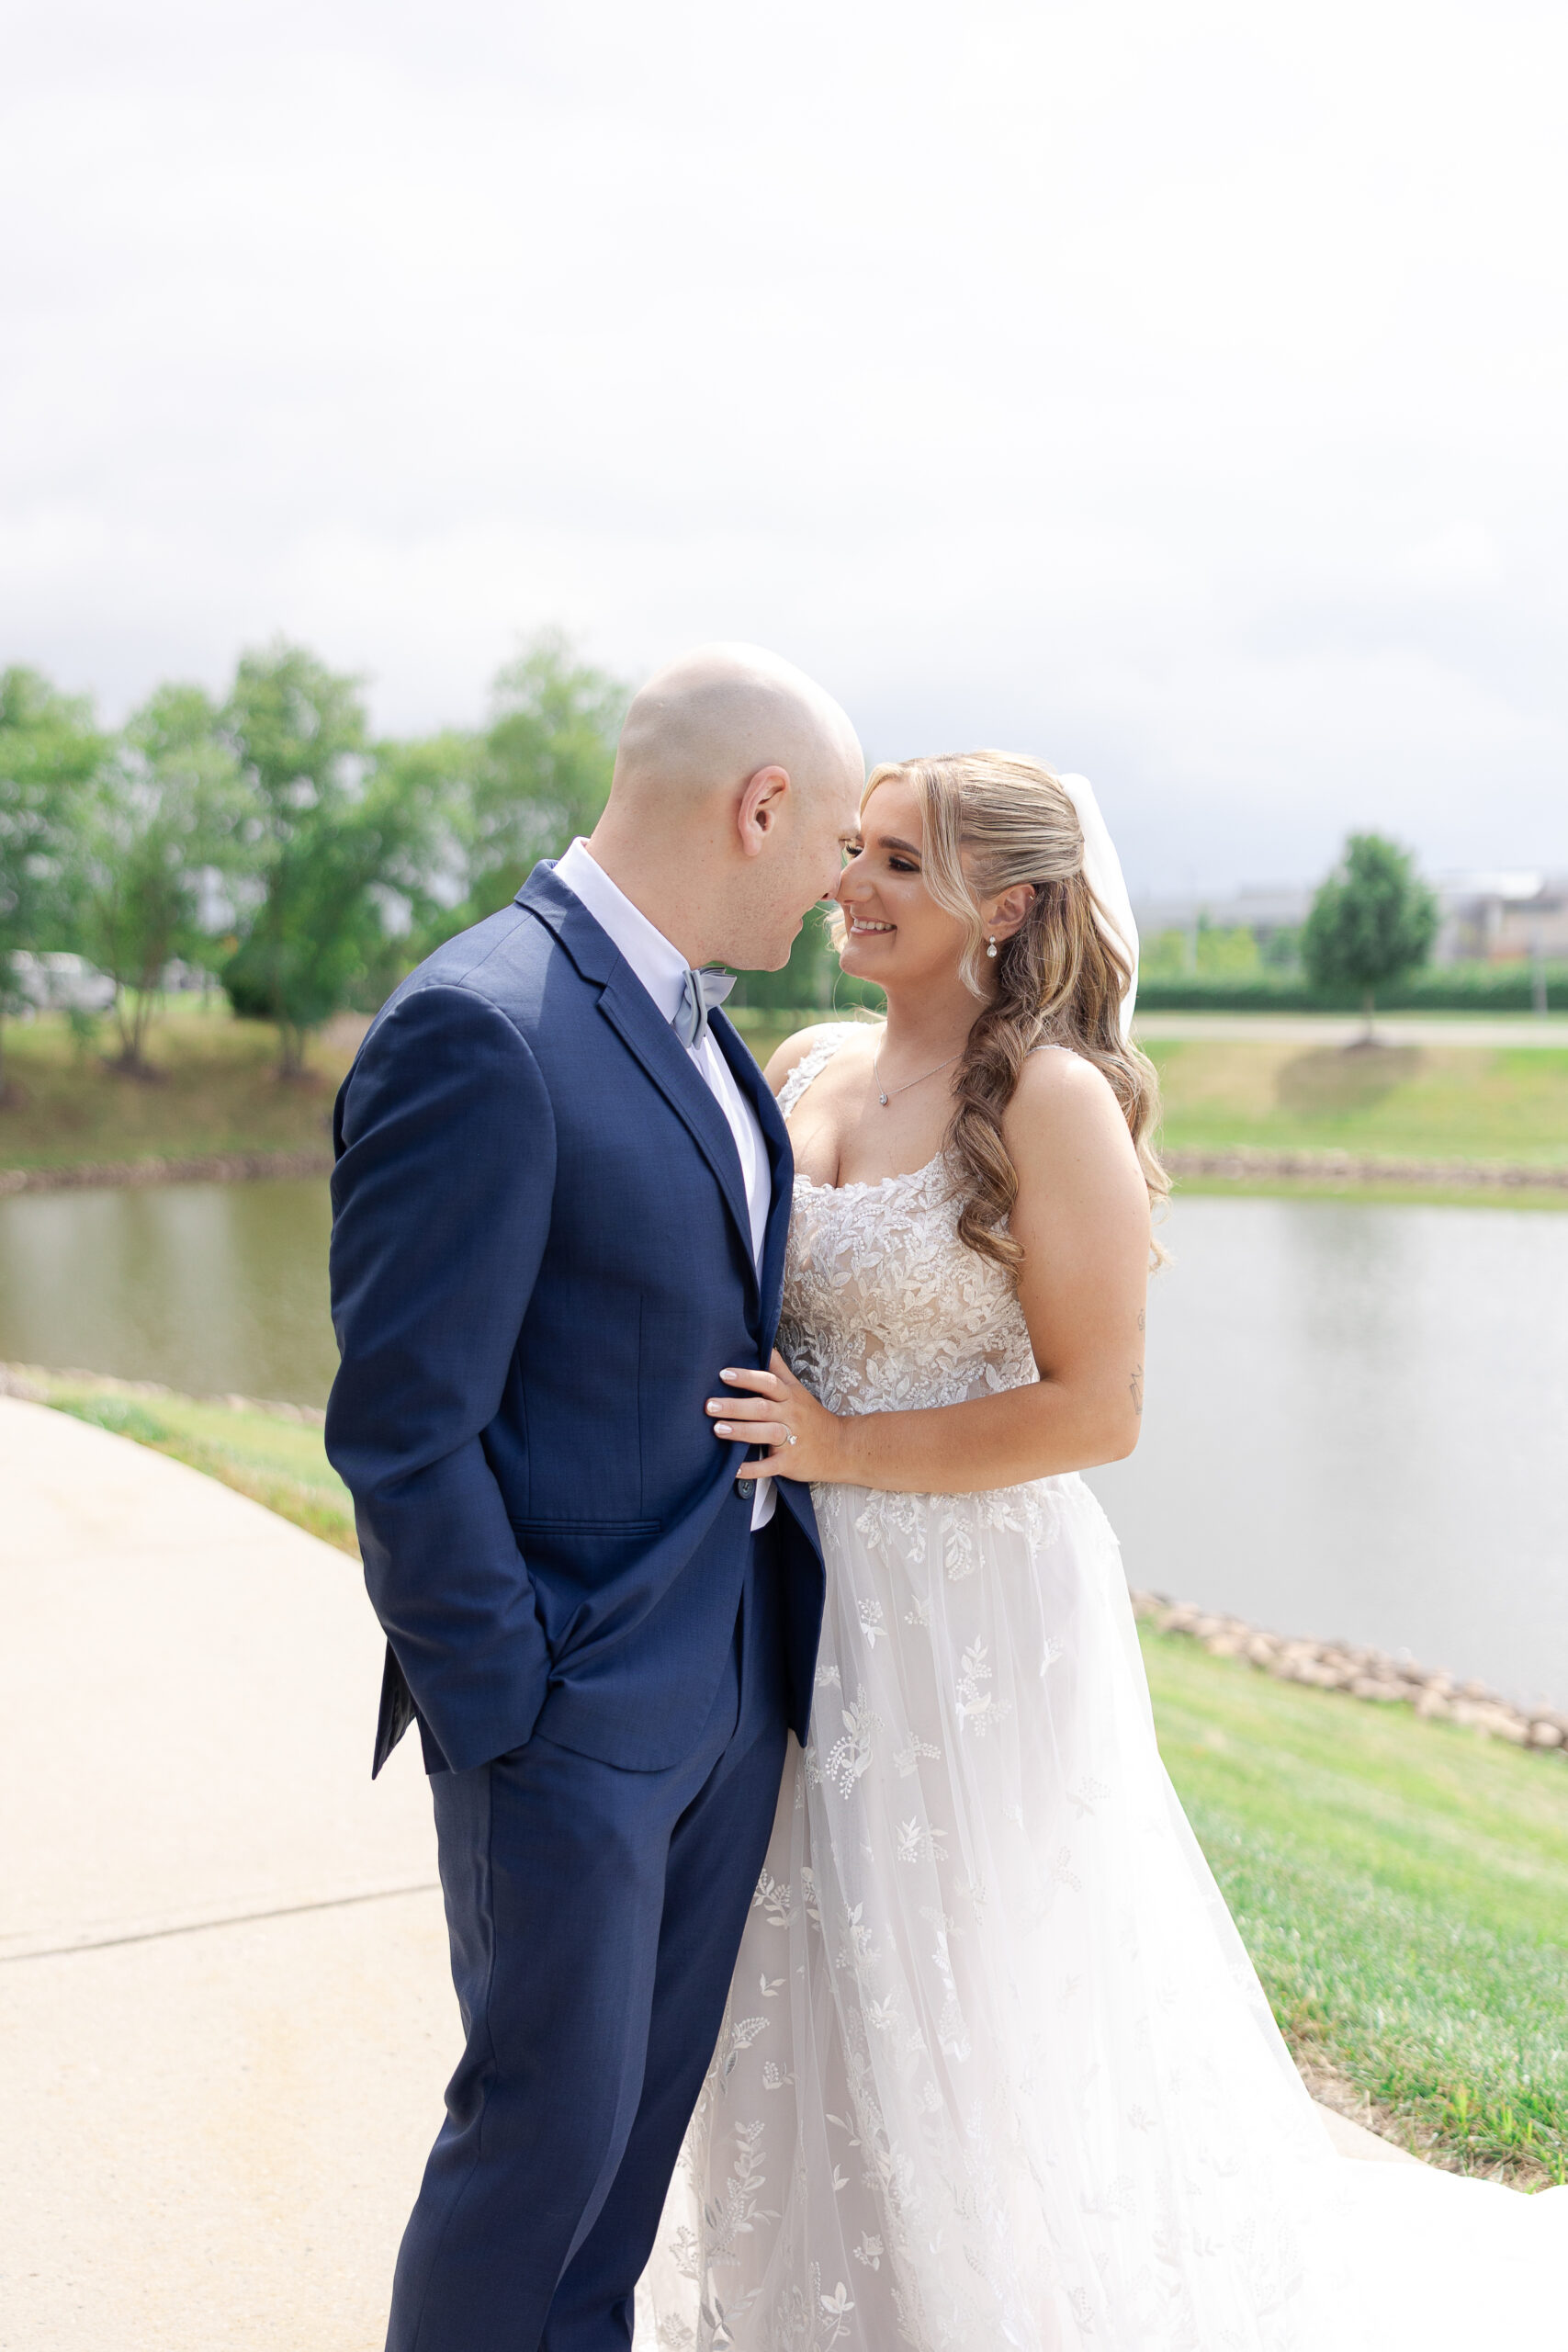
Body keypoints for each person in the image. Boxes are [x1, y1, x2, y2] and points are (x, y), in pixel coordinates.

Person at [637, 752, 1568, 2351]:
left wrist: (845, 1446)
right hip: (798, 1604)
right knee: (803, 1971)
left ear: (1005, 907)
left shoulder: (1049, 1099)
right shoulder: (801, 1067)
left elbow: (1100, 1410)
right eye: (853, 848)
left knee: (964, 1993)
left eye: (900, 864)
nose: (850, 883)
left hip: (973, 1616)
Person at [325, 643, 864, 2352]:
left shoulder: (706, 1023)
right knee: (534, 2164)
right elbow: (403, 1427)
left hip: (723, 1692)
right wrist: (515, 1706)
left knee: (621, 2180)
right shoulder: (477, 1026)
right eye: (837, 837)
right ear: (758, 806)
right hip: (568, 1722)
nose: (842, 875)